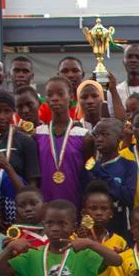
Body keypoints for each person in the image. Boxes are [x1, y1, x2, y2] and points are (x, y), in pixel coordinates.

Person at [35, 76, 91, 210]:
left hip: (74, 204)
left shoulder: (84, 136)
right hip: (45, 206)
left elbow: (87, 175)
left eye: (60, 94)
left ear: (71, 96)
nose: (55, 98)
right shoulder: (37, 134)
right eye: (50, 95)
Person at [0, 89, 41, 195]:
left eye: (7, 111)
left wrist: (7, 166)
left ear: (13, 112)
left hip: (18, 204)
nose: (2, 117)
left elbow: (32, 184)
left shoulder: (26, 141)